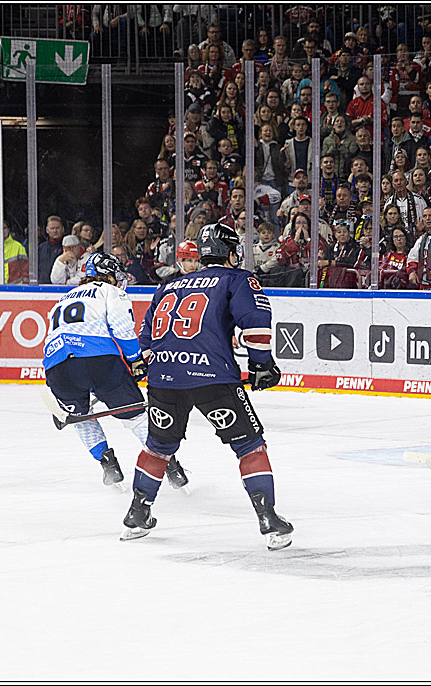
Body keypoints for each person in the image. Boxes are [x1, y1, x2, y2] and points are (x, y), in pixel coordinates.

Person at [126, 222, 292, 550]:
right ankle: (268, 519)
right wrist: (261, 365)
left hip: (164, 379)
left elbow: (144, 335)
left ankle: (136, 514)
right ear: (231, 253)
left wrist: (149, 364)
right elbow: (256, 323)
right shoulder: (237, 278)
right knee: (249, 445)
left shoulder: (168, 286)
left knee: (157, 447)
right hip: (212, 378)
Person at [42, 253, 187, 490]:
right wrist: (135, 360)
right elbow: (122, 329)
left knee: (81, 418)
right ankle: (170, 467)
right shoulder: (110, 291)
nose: (119, 281)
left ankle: (108, 465)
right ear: (108, 275)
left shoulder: (61, 300)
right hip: (98, 361)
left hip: (56, 368)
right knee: (136, 416)